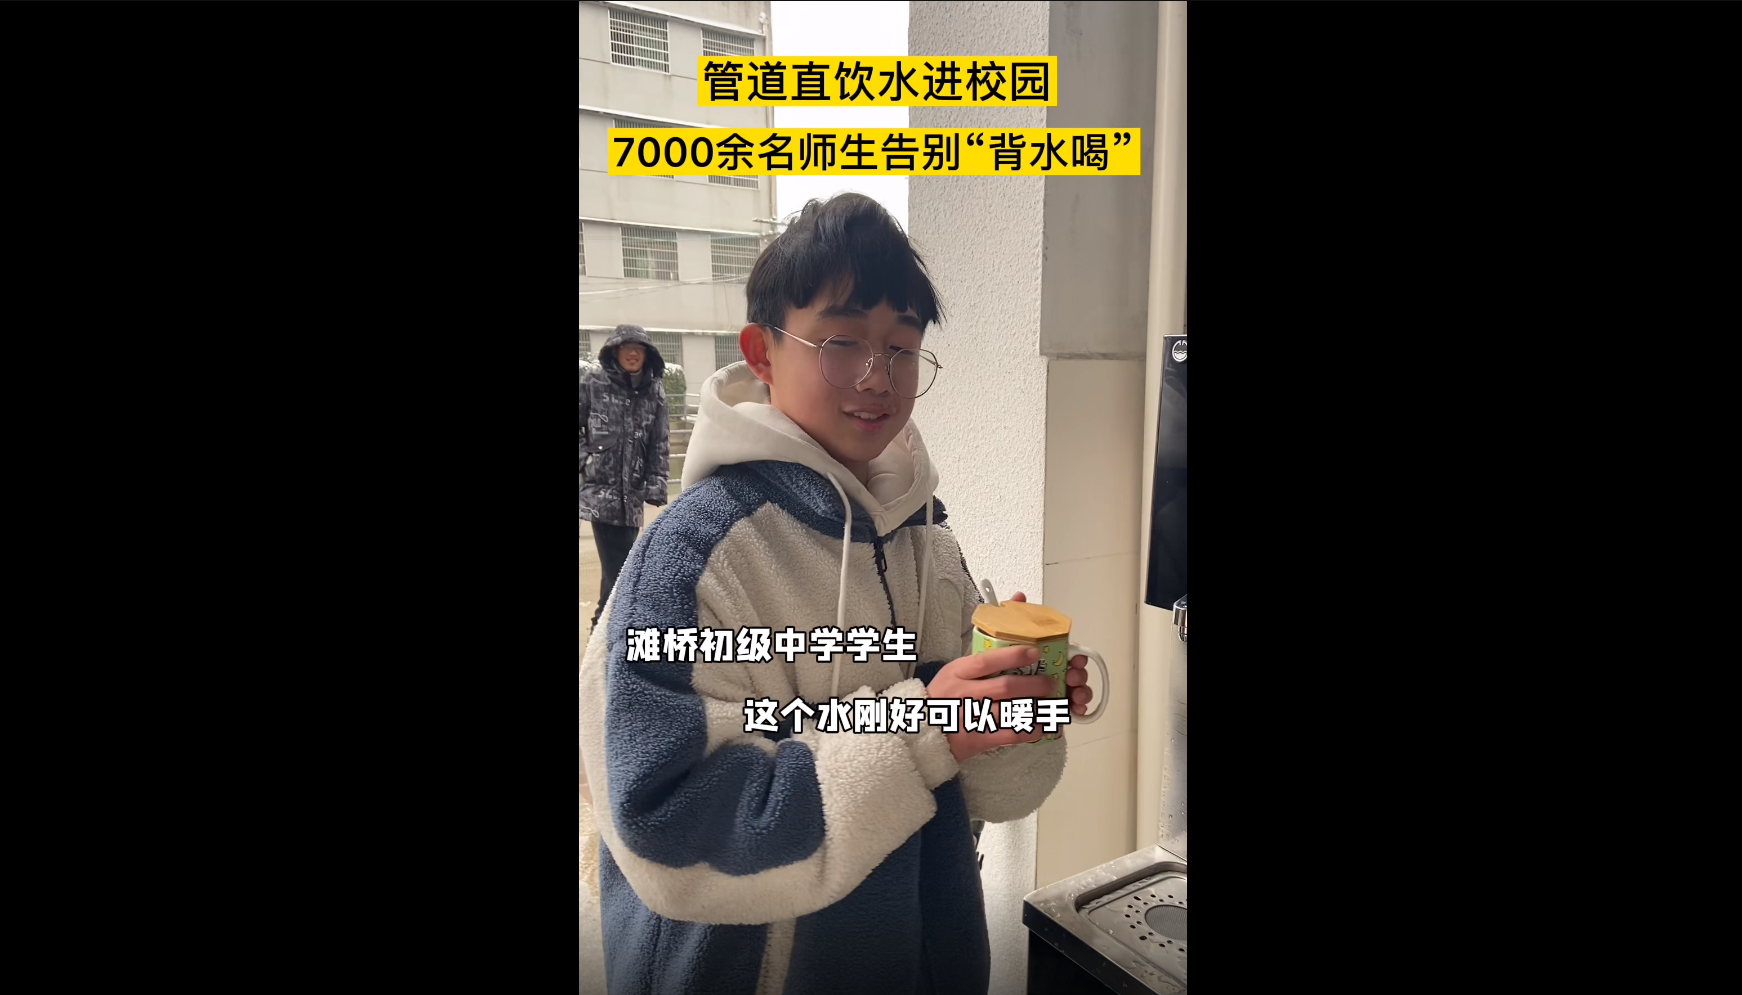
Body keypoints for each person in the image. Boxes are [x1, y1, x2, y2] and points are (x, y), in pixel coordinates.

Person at [577, 194, 1094, 995]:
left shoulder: (928, 542)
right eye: (841, 340)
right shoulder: (690, 557)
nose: (876, 376)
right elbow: (666, 829)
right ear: (762, 351)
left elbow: (984, 793)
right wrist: (925, 729)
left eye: (901, 346)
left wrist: (1014, 711)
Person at [579, 325, 670, 631]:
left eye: (639, 348)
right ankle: (611, 633)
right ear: (614, 351)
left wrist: (656, 483)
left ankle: (601, 632)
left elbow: (659, 442)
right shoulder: (593, 382)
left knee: (615, 575)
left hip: (632, 497)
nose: (633, 354)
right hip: (601, 495)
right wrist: (587, 458)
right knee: (622, 572)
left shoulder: (654, 391)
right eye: (626, 347)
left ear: (647, 354)